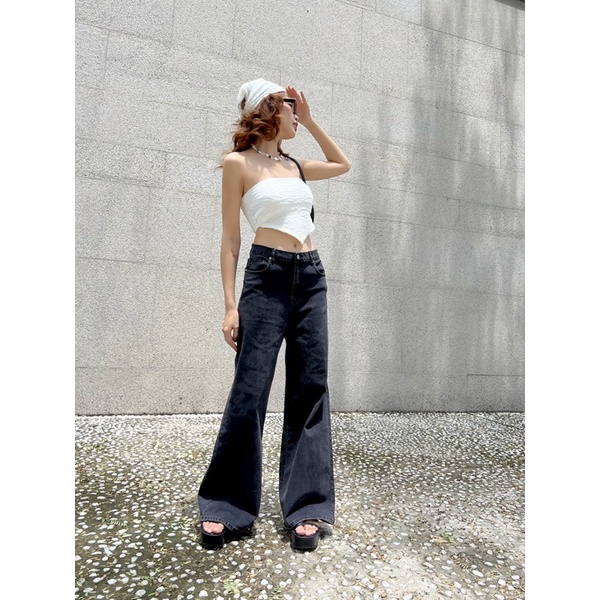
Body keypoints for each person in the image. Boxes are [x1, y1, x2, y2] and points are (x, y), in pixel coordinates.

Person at [198, 78, 351, 552]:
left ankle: (306, 506)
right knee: (250, 389)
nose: (295, 112)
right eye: (289, 105)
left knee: (310, 388)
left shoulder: (295, 166)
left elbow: (343, 164)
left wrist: (312, 120)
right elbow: (230, 239)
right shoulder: (238, 164)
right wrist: (230, 305)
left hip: (311, 276)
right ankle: (227, 505)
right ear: (267, 108)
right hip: (266, 277)